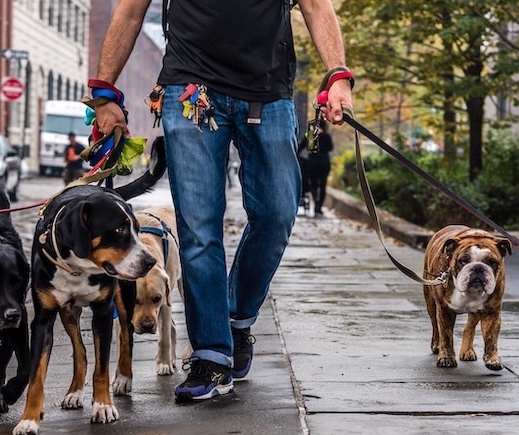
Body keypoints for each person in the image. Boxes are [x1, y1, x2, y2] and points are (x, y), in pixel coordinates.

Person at [92, 0, 354, 403]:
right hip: (190, 90)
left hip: (267, 92)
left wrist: (337, 75)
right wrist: (105, 92)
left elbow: (317, 7)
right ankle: (212, 358)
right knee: (198, 229)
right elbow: (129, 12)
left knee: (277, 214)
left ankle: (236, 319)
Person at [305, 122, 333, 215]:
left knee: (313, 184)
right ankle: (319, 206)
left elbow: (303, 146)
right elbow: (330, 148)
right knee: (322, 185)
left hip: (312, 163)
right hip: (324, 163)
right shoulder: (326, 136)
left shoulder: (311, 135)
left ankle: (315, 201)